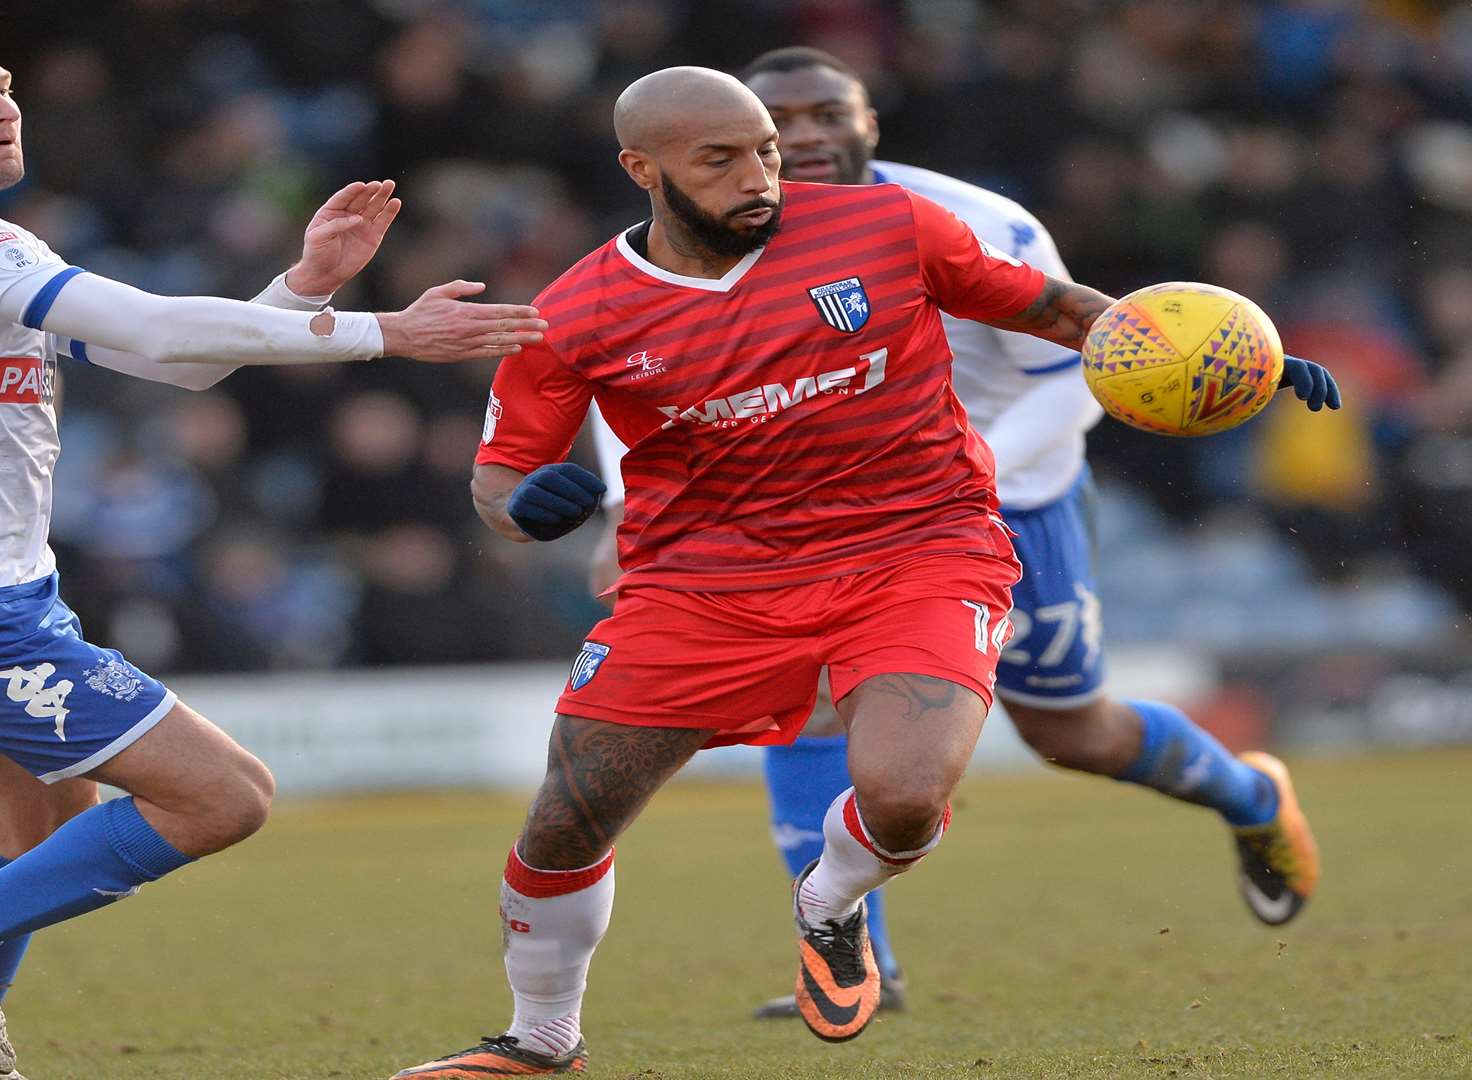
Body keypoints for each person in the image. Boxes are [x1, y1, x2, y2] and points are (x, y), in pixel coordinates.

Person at [392, 66, 1340, 1077]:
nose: (764, 171)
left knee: (940, 780)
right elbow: (499, 476)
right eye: (725, 158)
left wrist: (1230, 359)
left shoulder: (898, 224)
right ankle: (541, 1041)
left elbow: (1066, 319)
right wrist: (524, 507)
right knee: (567, 816)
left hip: (924, 546)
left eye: (769, 146)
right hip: (708, 582)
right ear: (643, 169)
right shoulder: (578, 312)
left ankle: (831, 902)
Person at [0, 20, 547, 1080]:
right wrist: (384, 331)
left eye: (4, 85)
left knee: (37, 813)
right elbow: (160, 330)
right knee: (223, 795)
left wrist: (304, 287)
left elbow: (177, 366)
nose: (4, 105)